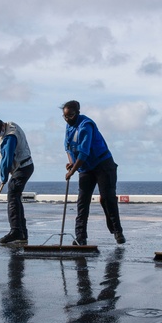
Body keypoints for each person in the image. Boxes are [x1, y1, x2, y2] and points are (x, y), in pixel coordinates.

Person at [62, 100, 125, 245]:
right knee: (82, 202)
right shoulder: (68, 126)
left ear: (77, 113)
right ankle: (80, 237)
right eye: (64, 116)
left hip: (103, 164)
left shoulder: (86, 125)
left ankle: (117, 231)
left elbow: (83, 152)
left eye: (70, 116)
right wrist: (72, 162)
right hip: (85, 168)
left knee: (107, 198)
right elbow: (68, 147)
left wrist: (72, 171)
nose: (67, 119)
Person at [0, 116, 34, 244]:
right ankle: (22, 232)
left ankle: (16, 231)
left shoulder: (10, 137)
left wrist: (3, 177)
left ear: (1, 125)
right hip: (25, 166)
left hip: (22, 167)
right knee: (16, 197)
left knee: (12, 196)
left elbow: (6, 159)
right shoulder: (10, 125)